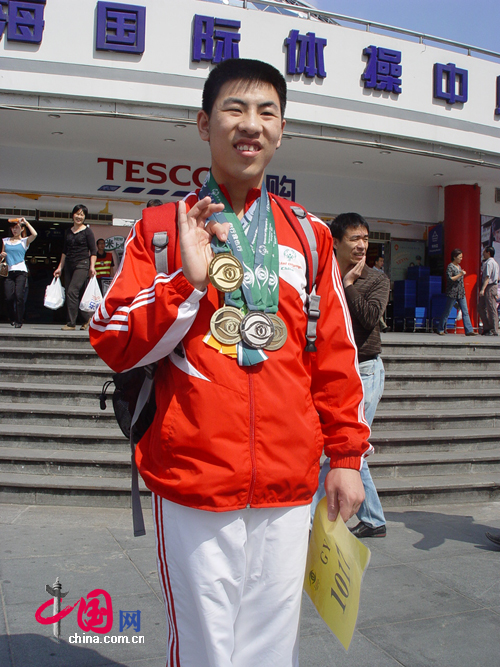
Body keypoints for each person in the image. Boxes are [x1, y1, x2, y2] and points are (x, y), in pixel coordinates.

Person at [90, 58, 371, 667]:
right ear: (204, 124)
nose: (251, 124)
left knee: (272, 647)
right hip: (193, 476)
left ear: (281, 130)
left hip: (289, 481)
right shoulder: (161, 228)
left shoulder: (309, 235)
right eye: (235, 109)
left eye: (267, 112)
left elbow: (333, 356)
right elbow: (111, 338)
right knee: (205, 649)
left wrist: (346, 458)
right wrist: (185, 284)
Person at [312, 213, 389, 538]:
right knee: (345, 447)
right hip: (331, 369)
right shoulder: (320, 274)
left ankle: (316, 518)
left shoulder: (376, 280)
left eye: (365, 239)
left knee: (349, 446)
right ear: (336, 242)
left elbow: (370, 317)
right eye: (355, 239)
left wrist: (346, 286)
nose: (361, 245)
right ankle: (373, 518)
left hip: (365, 369)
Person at [54, 205, 97, 331]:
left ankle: (71, 323)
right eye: (77, 214)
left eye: (82, 215)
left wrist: (92, 267)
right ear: (73, 215)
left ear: (85, 217)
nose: (79, 217)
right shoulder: (68, 231)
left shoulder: (87, 231)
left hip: (82, 264)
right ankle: (86, 319)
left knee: (72, 291)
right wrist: (59, 268)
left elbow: (93, 251)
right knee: (72, 292)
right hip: (69, 264)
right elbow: (64, 251)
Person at [1, 217, 37, 328]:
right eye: (13, 228)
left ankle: (19, 320)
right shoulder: (5, 240)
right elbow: (2, 256)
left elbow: (34, 234)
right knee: (8, 297)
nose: (14, 230)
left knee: (19, 296)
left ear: (21, 229)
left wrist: (26, 222)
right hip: (9, 271)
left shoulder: (24, 241)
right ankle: (12, 317)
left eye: (17, 228)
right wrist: (1, 255)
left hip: (21, 271)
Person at [436, 248, 477, 336]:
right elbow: (450, 279)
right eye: (460, 257)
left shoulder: (459, 267)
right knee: (447, 311)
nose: (461, 259)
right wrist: (460, 274)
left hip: (461, 292)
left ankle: (469, 330)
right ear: (454, 257)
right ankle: (440, 328)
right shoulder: (450, 267)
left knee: (465, 311)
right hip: (452, 292)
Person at [478, 245, 499, 336]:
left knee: (491, 308)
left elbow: (487, 277)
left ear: (488, 253)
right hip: (491, 286)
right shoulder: (495, 263)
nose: (483, 253)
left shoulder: (489, 263)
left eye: (484, 251)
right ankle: (487, 327)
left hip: (489, 286)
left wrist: (482, 289)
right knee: (481, 306)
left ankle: (493, 329)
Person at [373, 255, 389, 332]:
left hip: (381, 293)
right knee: (377, 309)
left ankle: (382, 326)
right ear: (376, 262)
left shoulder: (382, 272)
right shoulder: (372, 271)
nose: (382, 263)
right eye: (380, 261)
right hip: (374, 293)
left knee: (379, 309)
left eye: (383, 261)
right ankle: (383, 326)